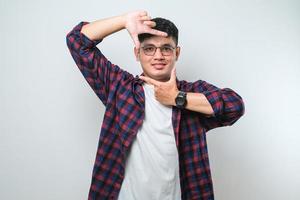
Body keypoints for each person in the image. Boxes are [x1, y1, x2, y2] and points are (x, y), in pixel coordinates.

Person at [66, 10, 245, 200]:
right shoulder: (120, 88)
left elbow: (235, 106)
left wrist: (177, 98)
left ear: (177, 53)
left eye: (166, 48)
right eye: (149, 48)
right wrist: (124, 21)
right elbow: (76, 41)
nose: (158, 55)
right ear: (137, 52)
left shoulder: (192, 92)